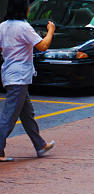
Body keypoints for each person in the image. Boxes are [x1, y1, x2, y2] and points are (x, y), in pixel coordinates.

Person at [0, 0, 56, 162]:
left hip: (10, 74)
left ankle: (40, 145)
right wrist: (50, 31)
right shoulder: (23, 27)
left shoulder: (2, 26)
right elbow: (43, 46)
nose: (30, 8)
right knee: (9, 117)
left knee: (27, 113)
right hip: (19, 77)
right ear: (23, 8)